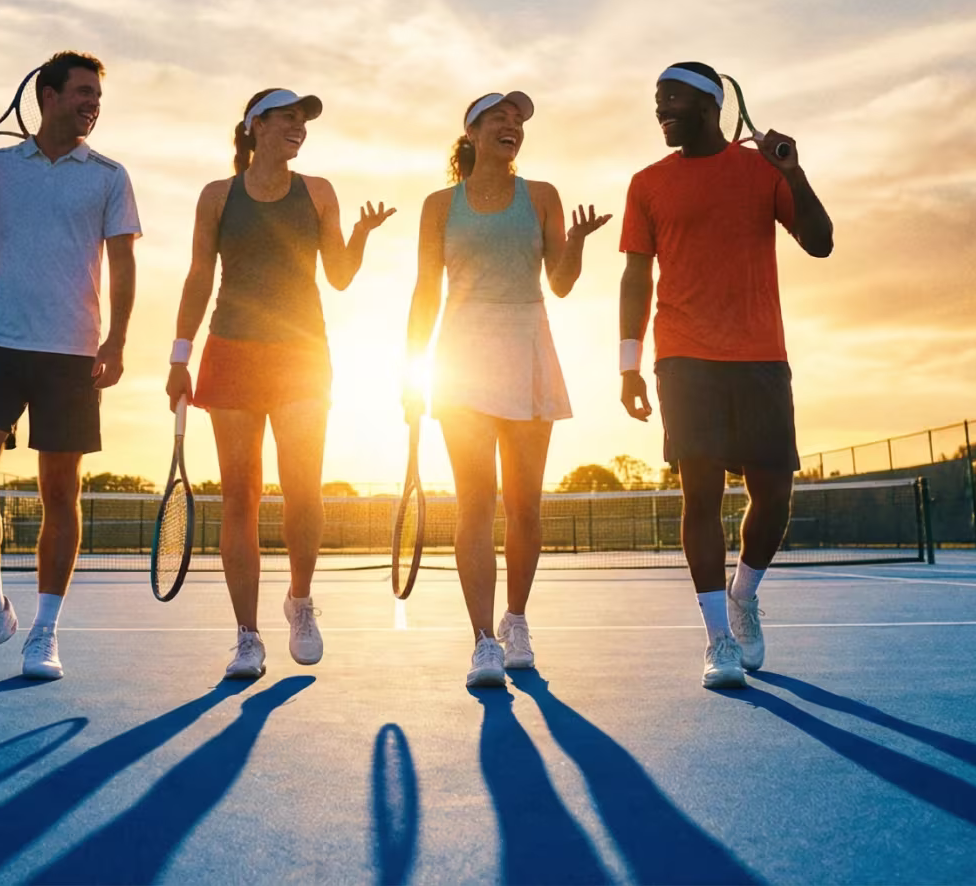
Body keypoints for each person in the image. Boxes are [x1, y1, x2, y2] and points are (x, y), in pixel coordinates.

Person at [0, 50, 141, 682]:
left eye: (97, 96)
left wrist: (118, 340)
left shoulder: (109, 176)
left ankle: (44, 631)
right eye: (81, 93)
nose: (92, 104)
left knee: (60, 492)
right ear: (46, 95)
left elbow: (124, 265)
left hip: (71, 353)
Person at [617, 61, 834, 688]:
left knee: (774, 498)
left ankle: (744, 593)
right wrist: (628, 364)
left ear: (712, 104)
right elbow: (636, 276)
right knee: (701, 496)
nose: (661, 109)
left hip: (762, 357)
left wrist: (793, 171)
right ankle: (718, 642)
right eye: (656, 99)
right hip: (683, 358)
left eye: (673, 98)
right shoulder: (646, 184)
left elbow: (819, 241)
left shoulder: (762, 169)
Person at [167, 88, 394, 680]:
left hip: (301, 354)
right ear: (256, 126)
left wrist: (363, 236)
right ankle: (246, 636)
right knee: (240, 496)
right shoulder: (217, 196)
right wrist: (179, 355)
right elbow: (198, 274)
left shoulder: (318, 191)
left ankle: (299, 599)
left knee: (302, 490)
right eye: (288, 118)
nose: (299, 128)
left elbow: (340, 276)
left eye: (303, 121)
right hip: (232, 351)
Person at [404, 91, 611, 687]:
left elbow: (563, 283)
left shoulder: (542, 196)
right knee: (475, 504)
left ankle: (515, 620)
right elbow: (424, 291)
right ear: (471, 133)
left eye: (517, 120)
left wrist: (575, 244)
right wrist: (410, 371)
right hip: (461, 362)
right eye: (499, 117)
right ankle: (482, 641)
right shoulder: (439, 205)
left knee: (524, 505)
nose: (511, 124)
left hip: (528, 352)